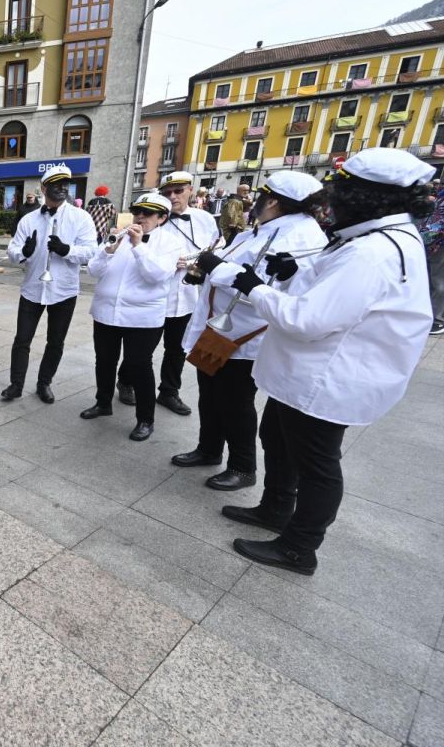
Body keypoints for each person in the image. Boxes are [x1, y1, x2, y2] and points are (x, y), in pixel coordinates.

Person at [213, 148, 433, 575]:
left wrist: (254, 287)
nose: (332, 200)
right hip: (307, 373)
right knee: (276, 436)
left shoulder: (372, 252)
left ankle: (299, 547)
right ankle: (274, 509)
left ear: (368, 197)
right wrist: (293, 271)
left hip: (328, 377)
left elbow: (307, 319)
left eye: (342, 190)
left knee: (316, 464)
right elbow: (328, 291)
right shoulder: (373, 238)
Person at [173, 171, 329, 492]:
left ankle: (243, 467)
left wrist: (216, 267)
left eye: (260, 196)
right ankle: (209, 448)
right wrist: (206, 271)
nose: (253, 202)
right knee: (210, 393)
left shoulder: (296, 237)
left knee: (235, 402)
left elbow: (260, 285)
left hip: (246, 336)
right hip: (218, 330)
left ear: (272, 201)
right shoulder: (266, 229)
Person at [80, 191, 184, 441]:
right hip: (106, 313)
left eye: (147, 213)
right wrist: (109, 249)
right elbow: (93, 270)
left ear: (162, 218)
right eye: (137, 211)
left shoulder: (169, 243)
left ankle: (145, 419)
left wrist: (138, 247)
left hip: (142, 317)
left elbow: (157, 275)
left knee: (139, 366)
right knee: (104, 361)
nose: (140, 216)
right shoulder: (121, 238)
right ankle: (103, 403)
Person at [115, 171, 218, 415]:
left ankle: (169, 391)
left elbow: (216, 247)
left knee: (178, 347)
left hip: (187, 294)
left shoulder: (205, 219)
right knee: (141, 349)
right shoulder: (152, 217)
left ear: (190, 190)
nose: (173, 196)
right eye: (167, 192)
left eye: (178, 191)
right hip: (154, 293)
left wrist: (203, 264)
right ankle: (126, 380)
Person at [3, 164, 98, 403]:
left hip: (63, 290)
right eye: (56, 184)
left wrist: (67, 250)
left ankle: (44, 383)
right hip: (32, 288)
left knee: (55, 341)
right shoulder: (28, 219)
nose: (62, 188)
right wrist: (23, 252)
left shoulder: (81, 217)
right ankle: (16, 385)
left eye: (65, 184)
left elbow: (90, 252)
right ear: (44, 188)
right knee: (22, 339)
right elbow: (13, 250)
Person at [417, 182, 444, 335]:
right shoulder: (440, 194)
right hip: (432, 243)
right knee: (432, 279)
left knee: (439, 281)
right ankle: (431, 313)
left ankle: (439, 319)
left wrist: (427, 233)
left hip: (439, 243)